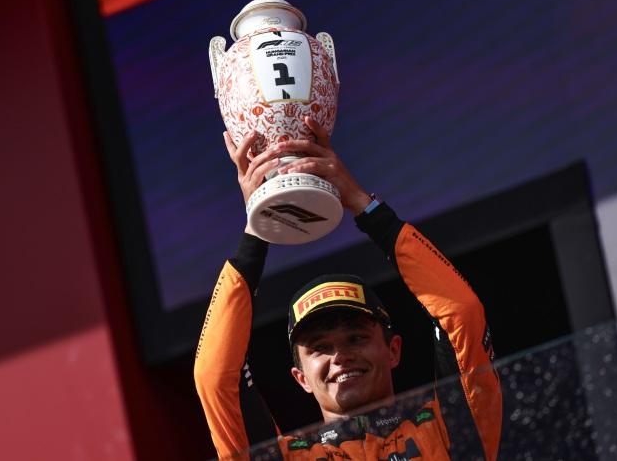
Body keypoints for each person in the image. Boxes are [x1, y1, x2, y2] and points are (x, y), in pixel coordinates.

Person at [194, 117, 502, 460]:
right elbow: (215, 378)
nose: (340, 356)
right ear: (301, 378)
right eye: (320, 348)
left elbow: (461, 314)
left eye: (356, 337)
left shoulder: (448, 428)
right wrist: (258, 226)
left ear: (394, 350)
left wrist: (362, 205)